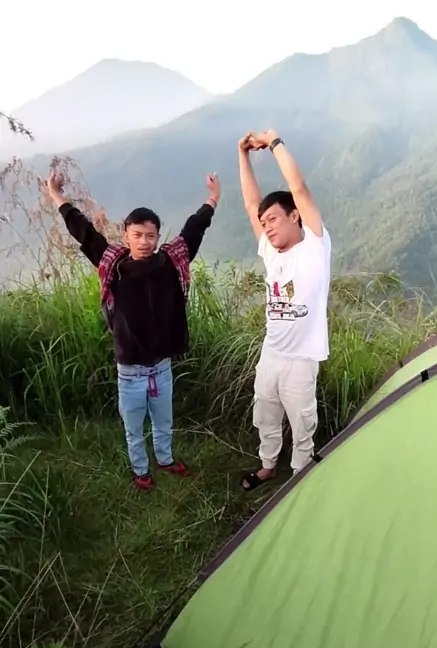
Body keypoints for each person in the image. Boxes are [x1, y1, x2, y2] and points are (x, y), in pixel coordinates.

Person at [46, 169, 221, 490]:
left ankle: (165, 460)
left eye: (150, 236)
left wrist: (213, 198)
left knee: (164, 421)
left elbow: (194, 229)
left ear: (157, 237)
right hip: (129, 370)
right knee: (133, 428)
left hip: (162, 366)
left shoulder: (170, 262)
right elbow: (83, 231)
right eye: (137, 234)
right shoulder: (113, 264)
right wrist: (56, 195)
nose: (144, 241)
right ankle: (141, 471)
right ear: (126, 235)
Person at [238, 129, 331, 490]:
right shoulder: (270, 252)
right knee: (265, 411)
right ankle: (267, 464)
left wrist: (274, 142)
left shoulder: (314, 249)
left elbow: (299, 187)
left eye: (273, 219)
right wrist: (243, 155)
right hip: (272, 352)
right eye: (264, 224)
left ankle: (299, 475)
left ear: (295, 216)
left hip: (302, 358)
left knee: (302, 420)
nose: (267, 227)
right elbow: (251, 204)